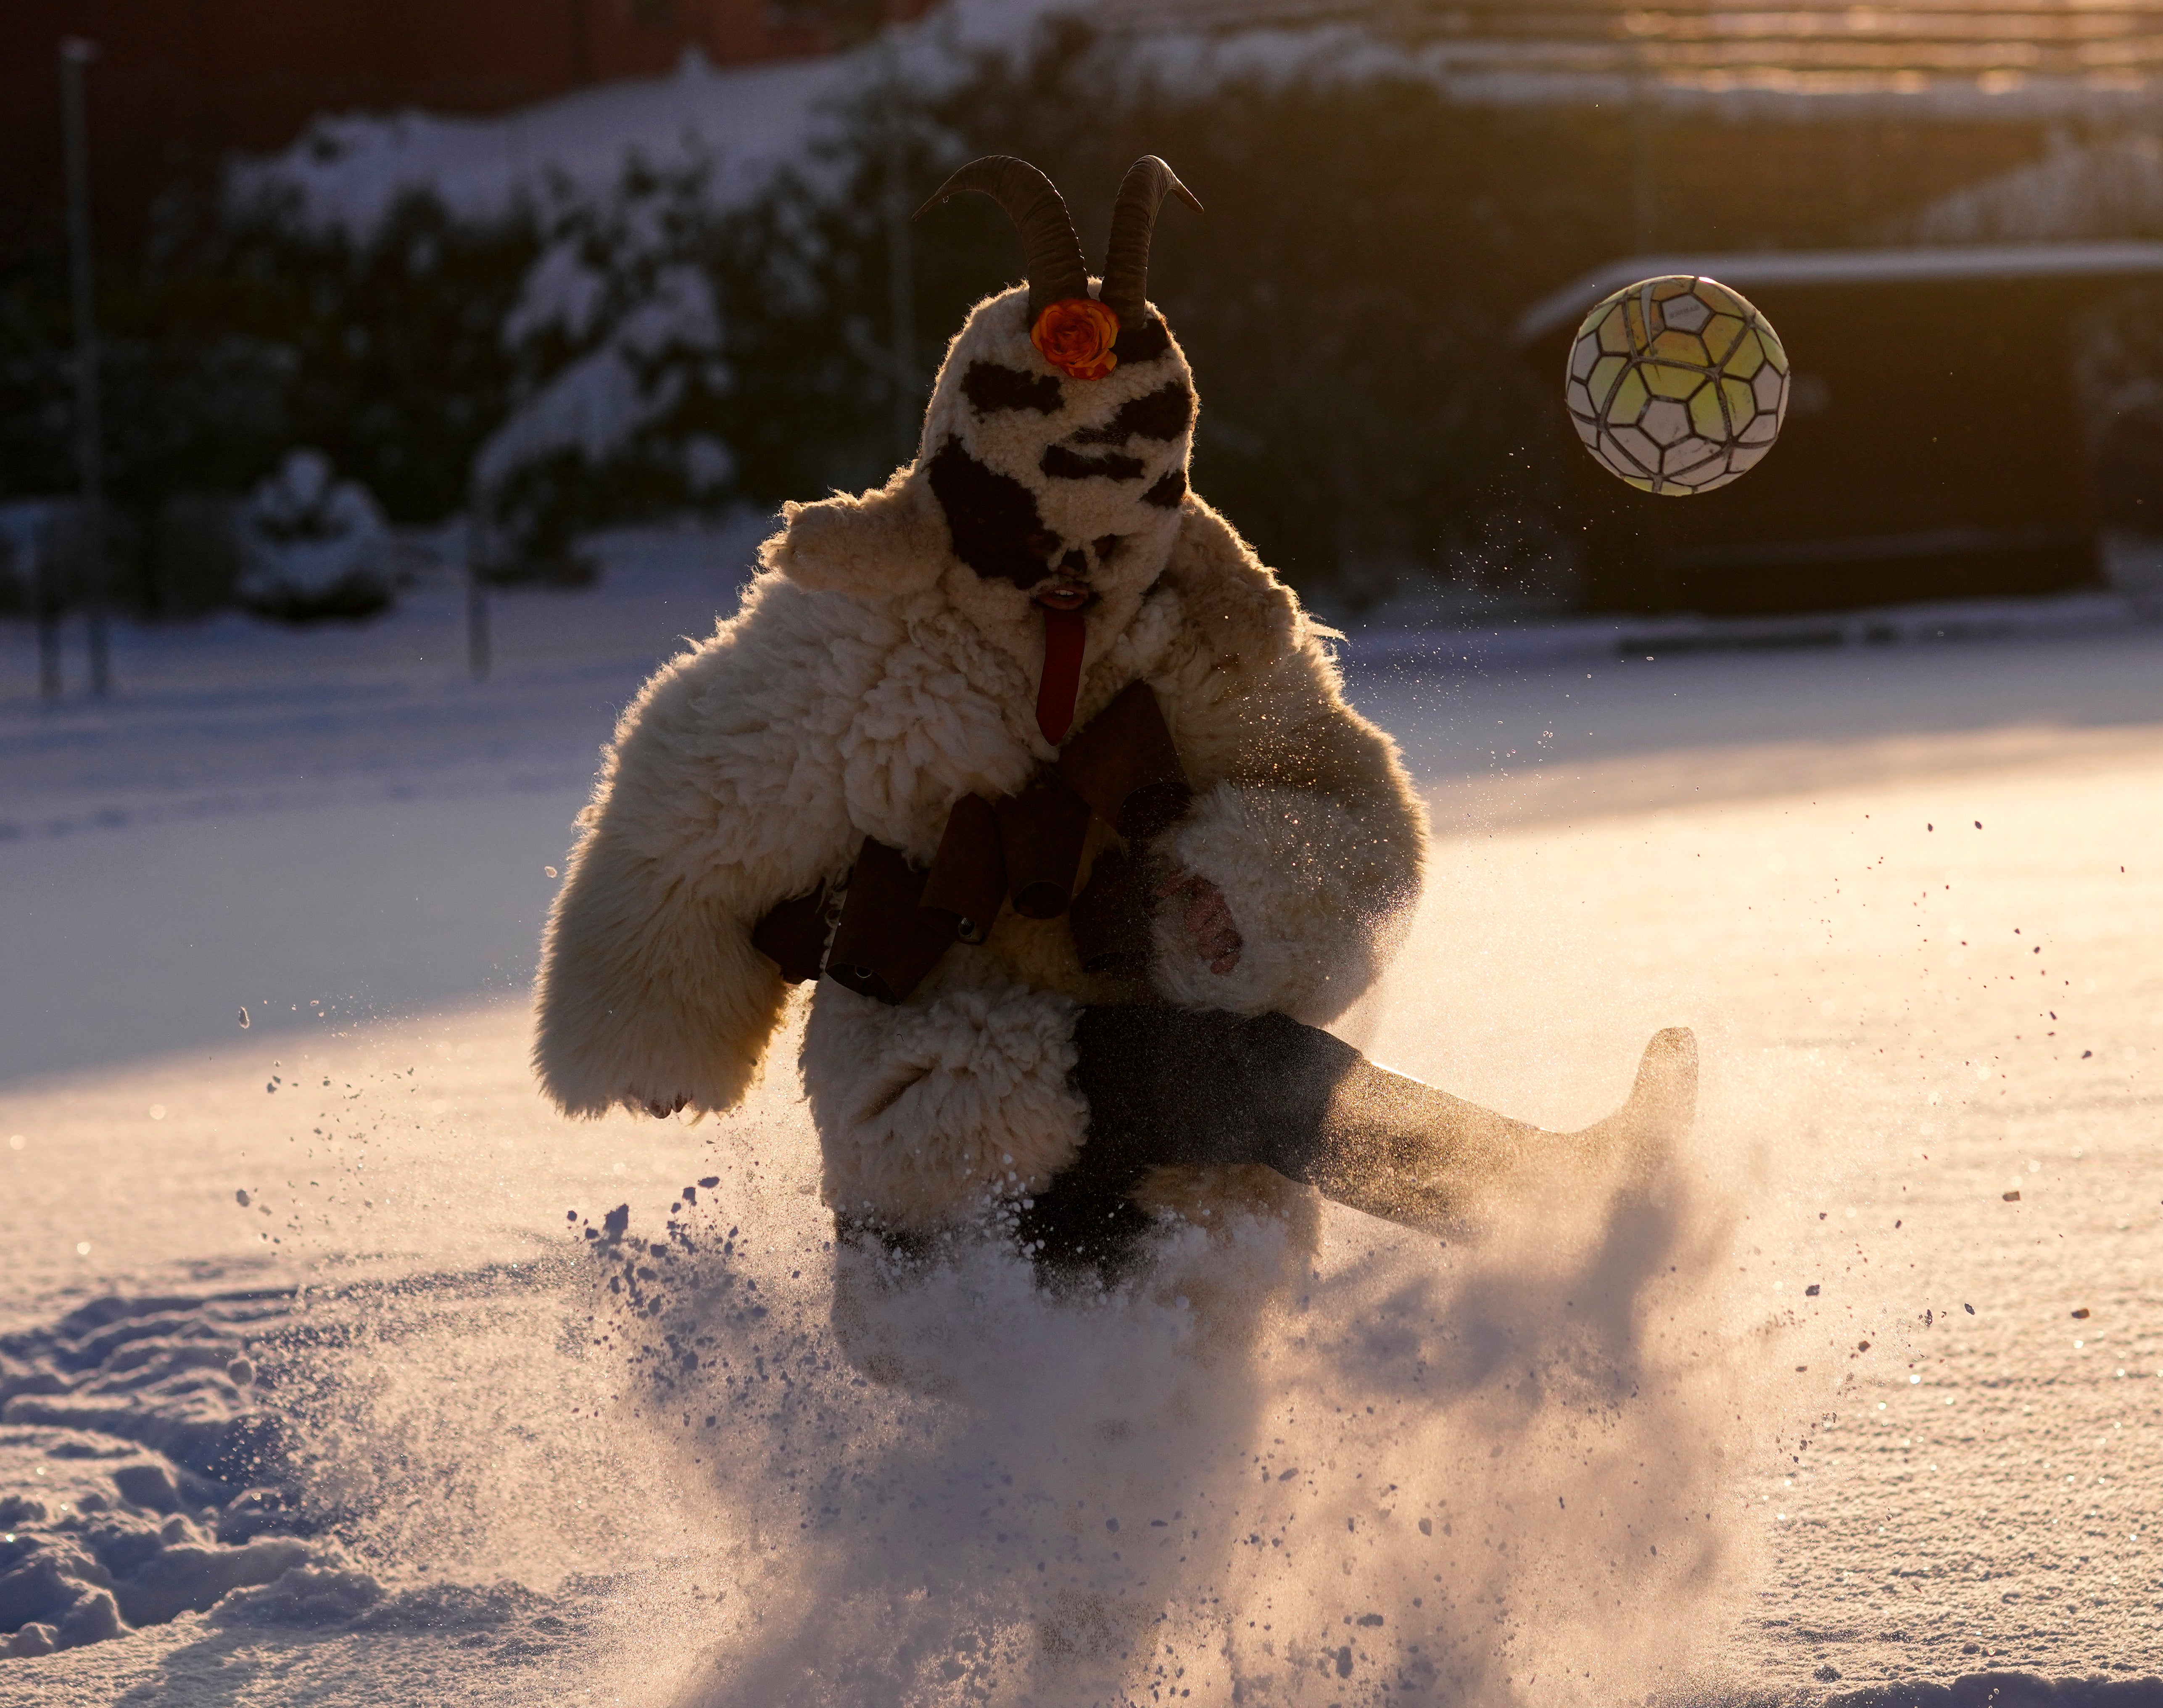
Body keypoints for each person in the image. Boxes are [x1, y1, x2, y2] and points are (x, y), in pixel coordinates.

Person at [530, 155, 1694, 1283]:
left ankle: (1530, 1244)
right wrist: (654, 1028)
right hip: (941, 1117)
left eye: (1120, 526)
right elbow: (688, 818)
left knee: (1224, 1133)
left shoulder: (1203, 630)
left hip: (1164, 1151)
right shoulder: (857, 632)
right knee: (1248, 1079)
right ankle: (1546, 1199)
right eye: (1042, 521)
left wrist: (1230, 895)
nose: (1076, 571)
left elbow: (1348, 808)